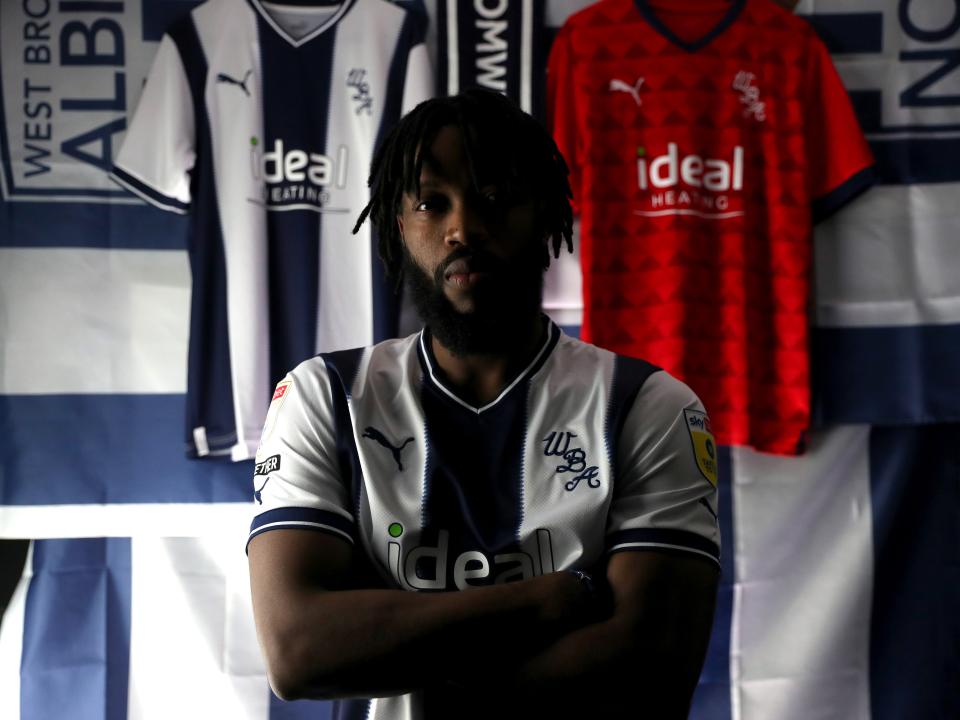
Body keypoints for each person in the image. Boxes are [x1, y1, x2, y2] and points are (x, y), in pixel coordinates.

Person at [247, 88, 720, 719]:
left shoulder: (647, 406)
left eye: (495, 198)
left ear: (546, 215)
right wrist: (547, 601)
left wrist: (392, 645)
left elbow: (650, 671)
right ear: (399, 225)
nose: (464, 229)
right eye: (431, 203)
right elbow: (299, 653)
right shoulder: (326, 397)